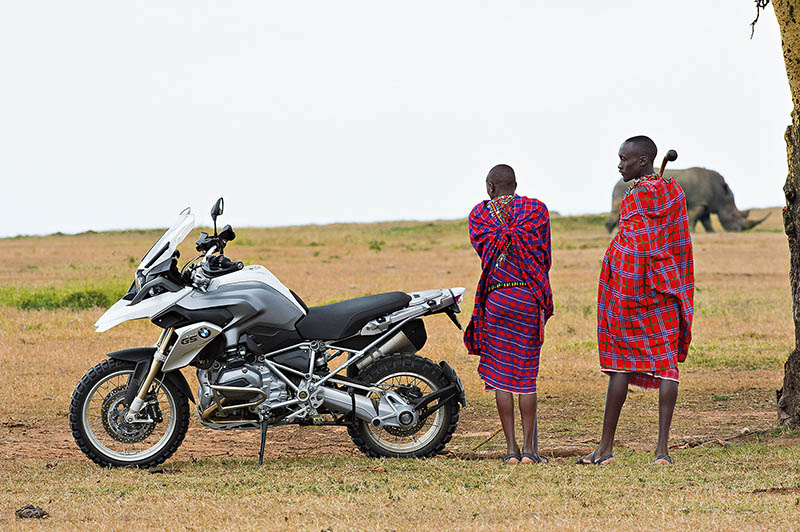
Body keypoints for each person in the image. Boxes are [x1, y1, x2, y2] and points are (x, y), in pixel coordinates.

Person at [578, 136, 694, 466]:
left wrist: (616, 272)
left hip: (630, 291)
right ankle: (662, 452)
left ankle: (605, 450)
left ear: (643, 161)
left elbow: (631, 246)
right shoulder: (674, 192)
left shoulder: (635, 197)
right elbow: (677, 241)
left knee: (620, 364)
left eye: (624, 158)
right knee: (666, 365)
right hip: (667, 288)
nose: (619, 165)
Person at [464, 164, 554, 465]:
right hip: (527, 296)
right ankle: (530, 451)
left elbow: (484, 251)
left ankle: (511, 451)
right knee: (526, 376)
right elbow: (544, 257)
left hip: (497, 298)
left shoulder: (480, 215)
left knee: (502, 377)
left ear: (490, 187)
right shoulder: (536, 211)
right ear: (515, 185)